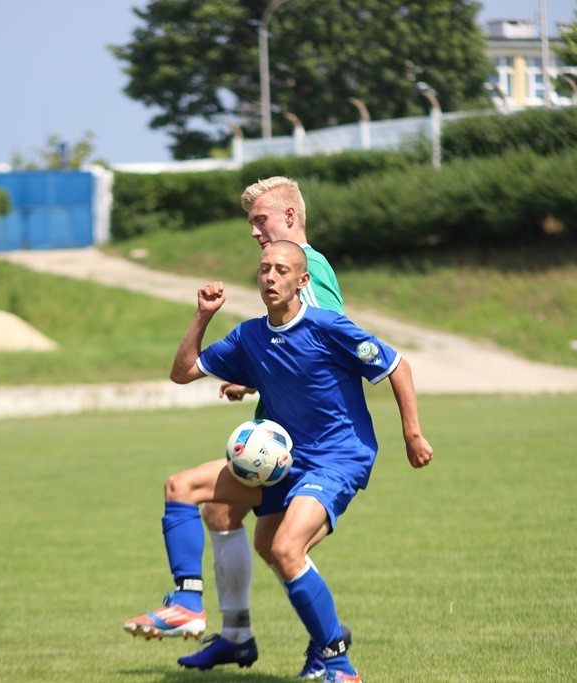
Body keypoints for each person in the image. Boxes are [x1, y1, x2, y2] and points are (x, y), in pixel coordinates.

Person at [123, 241, 433, 683]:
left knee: (285, 549)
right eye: (264, 269)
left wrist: (412, 434)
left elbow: (397, 366)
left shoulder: (328, 327)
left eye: (281, 270)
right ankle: (187, 603)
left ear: (302, 281)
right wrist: (203, 315)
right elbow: (183, 371)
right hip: (285, 461)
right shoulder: (249, 335)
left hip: (336, 459)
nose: (270, 276)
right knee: (182, 488)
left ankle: (340, 667)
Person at [179, 176, 349, 679]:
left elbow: (323, 345)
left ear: (290, 217)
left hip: (309, 446)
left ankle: (328, 646)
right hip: (281, 433)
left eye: (261, 220)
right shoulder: (291, 267)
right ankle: (240, 637)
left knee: (282, 548)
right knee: (224, 515)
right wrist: (253, 378)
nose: (254, 232)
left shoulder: (308, 266)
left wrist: (259, 376)